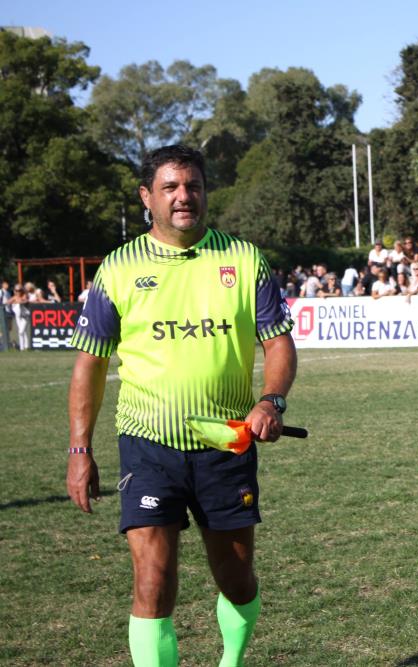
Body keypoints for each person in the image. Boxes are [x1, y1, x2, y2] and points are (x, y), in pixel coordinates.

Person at [66, 145, 297, 667]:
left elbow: (278, 343)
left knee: (236, 580)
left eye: (192, 185)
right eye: (169, 187)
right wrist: (80, 448)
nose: (183, 196)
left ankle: (230, 662)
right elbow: (90, 364)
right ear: (146, 197)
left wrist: (271, 400)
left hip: (227, 443)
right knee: (152, 580)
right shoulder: (118, 268)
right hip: (147, 444)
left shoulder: (244, 259)